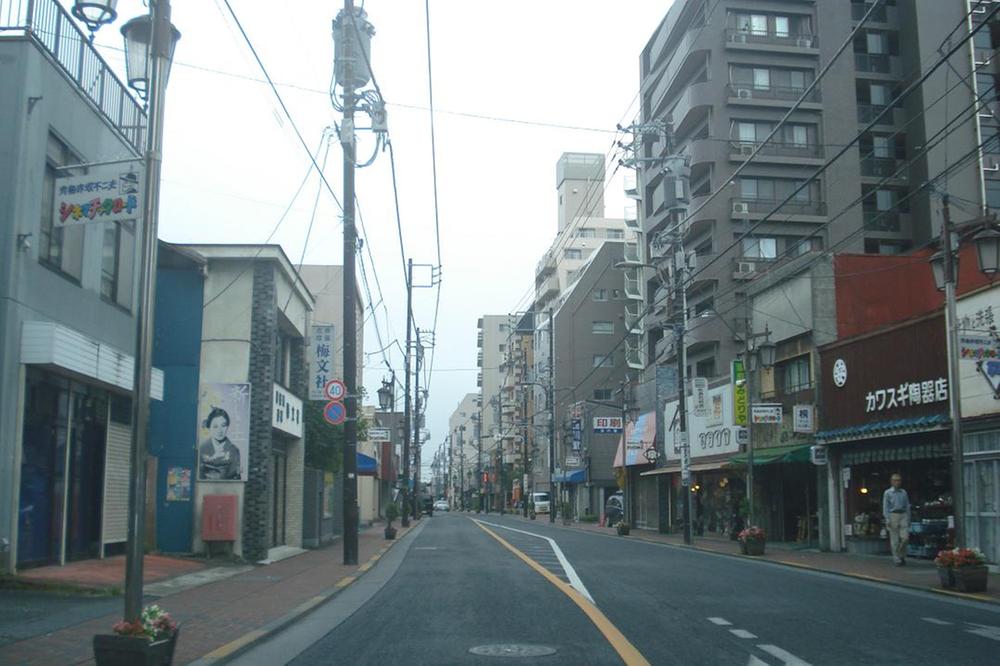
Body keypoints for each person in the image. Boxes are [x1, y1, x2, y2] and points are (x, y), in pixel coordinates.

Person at [199, 407, 242, 480]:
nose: (220, 430)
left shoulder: (234, 450)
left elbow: (235, 476)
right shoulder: (202, 448)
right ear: (209, 427)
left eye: (223, 425)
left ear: (227, 426)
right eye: (215, 426)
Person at [882, 473, 911, 565]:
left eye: (899, 480)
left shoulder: (903, 492)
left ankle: (901, 554)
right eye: (895, 480)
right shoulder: (888, 493)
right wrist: (887, 519)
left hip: (903, 515)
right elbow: (885, 507)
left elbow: (907, 505)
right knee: (894, 539)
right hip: (893, 515)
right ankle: (897, 558)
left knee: (905, 538)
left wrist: (909, 518)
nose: (897, 482)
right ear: (891, 482)